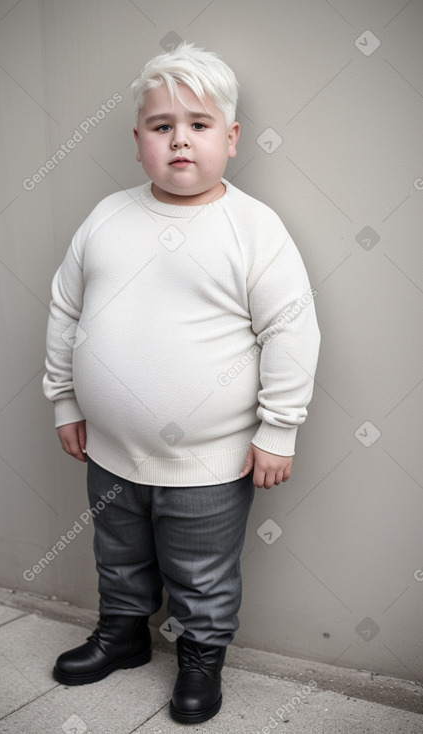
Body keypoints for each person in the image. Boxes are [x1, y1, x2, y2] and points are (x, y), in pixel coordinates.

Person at [42, 42, 321, 724]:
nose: (179, 141)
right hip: (109, 449)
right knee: (118, 555)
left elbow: (290, 328)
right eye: (161, 126)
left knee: (201, 575)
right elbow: (64, 309)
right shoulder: (107, 217)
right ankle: (122, 635)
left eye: (197, 125)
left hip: (209, 462)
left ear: (229, 138)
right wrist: (64, 399)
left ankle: (200, 657)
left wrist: (277, 428)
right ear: (137, 140)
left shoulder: (252, 229)